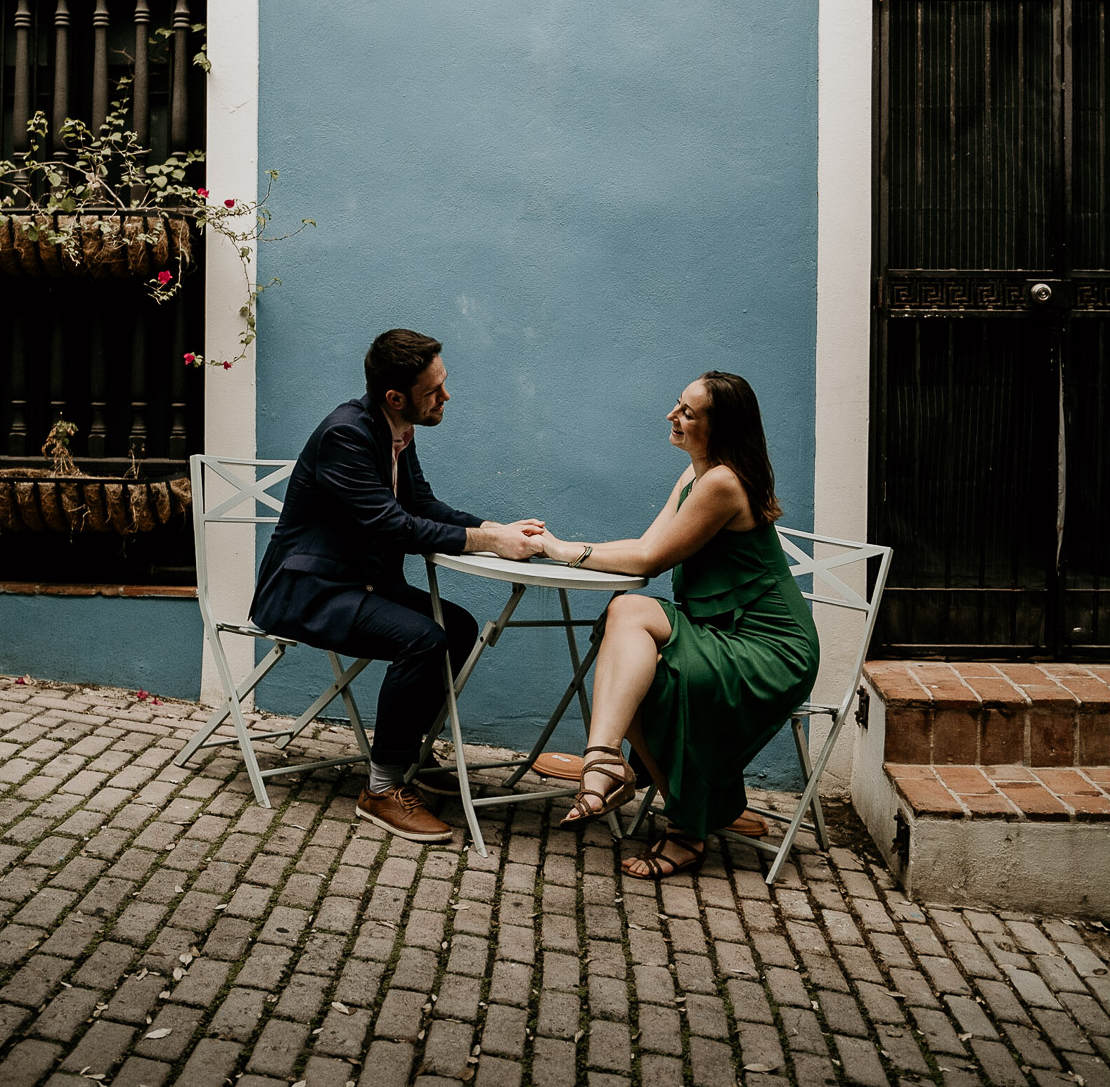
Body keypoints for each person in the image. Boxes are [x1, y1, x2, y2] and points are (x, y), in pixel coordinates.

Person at [251, 328, 545, 843]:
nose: (445, 397)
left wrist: (495, 530)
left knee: (456, 625)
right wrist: (487, 543)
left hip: (358, 583)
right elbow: (392, 525)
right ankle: (382, 788)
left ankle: (407, 757)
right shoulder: (346, 434)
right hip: (308, 590)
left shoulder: (396, 429)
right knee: (423, 638)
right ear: (396, 396)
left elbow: (422, 505)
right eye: (434, 391)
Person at [536, 371, 818, 879]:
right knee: (631, 648)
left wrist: (561, 549)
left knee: (628, 615)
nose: (673, 416)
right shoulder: (696, 474)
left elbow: (648, 560)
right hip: (722, 633)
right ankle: (633, 784)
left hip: (770, 648)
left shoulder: (723, 483)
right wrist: (568, 547)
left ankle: (616, 771)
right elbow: (641, 547)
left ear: (721, 427)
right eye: (676, 405)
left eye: (688, 412)